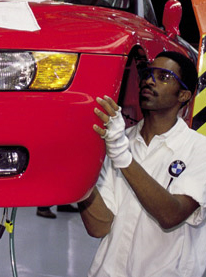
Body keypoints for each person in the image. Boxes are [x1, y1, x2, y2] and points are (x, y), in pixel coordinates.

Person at [79, 51, 206, 276]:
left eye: (164, 76)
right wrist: (79, 166)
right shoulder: (118, 140)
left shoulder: (199, 149)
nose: (149, 80)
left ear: (184, 95)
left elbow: (171, 215)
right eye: (148, 73)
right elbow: (99, 226)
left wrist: (120, 154)